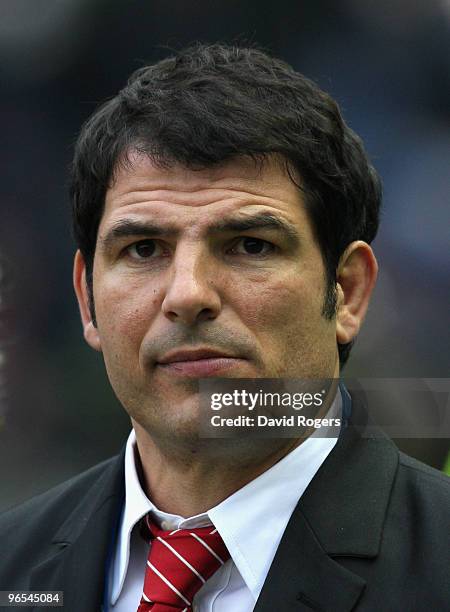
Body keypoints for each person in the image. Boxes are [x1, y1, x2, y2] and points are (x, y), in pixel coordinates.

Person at [0, 43, 449, 612]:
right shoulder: (12, 566)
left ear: (348, 291)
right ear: (86, 299)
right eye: (143, 249)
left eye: (249, 245)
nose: (188, 294)